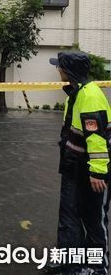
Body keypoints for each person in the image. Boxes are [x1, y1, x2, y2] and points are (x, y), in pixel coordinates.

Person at [46, 52, 111, 275]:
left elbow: (97, 138)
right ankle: (68, 262)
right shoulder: (75, 93)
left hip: (90, 170)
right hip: (73, 167)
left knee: (93, 220)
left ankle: (97, 268)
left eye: (60, 67)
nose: (58, 70)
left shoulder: (90, 96)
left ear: (69, 71)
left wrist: (98, 173)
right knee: (69, 216)